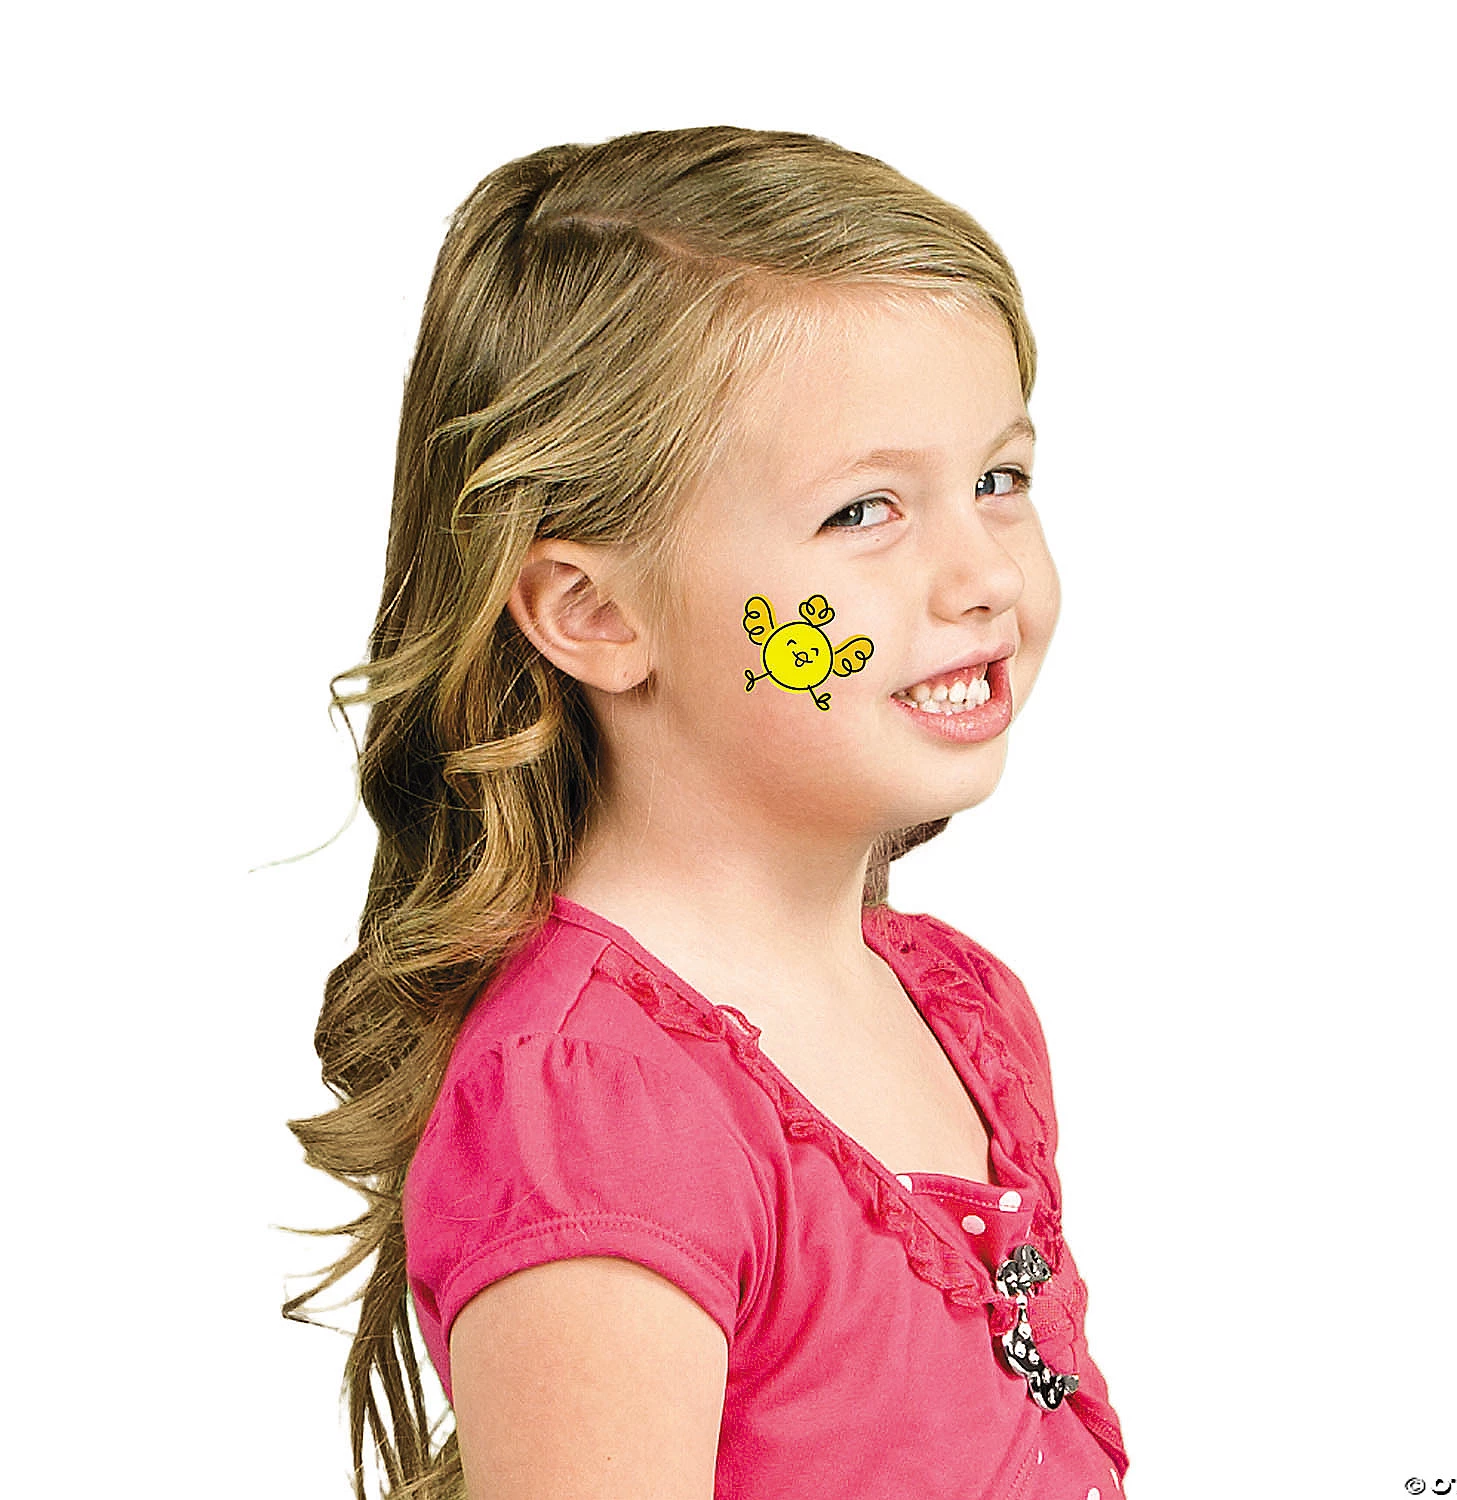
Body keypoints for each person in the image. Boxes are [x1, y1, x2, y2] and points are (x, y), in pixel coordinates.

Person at [287, 124, 1129, 1500]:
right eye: (864, 511)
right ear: (594, 612)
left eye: (999, 481)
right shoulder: (592, 1108)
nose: (981, 574)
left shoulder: (960, 1007)